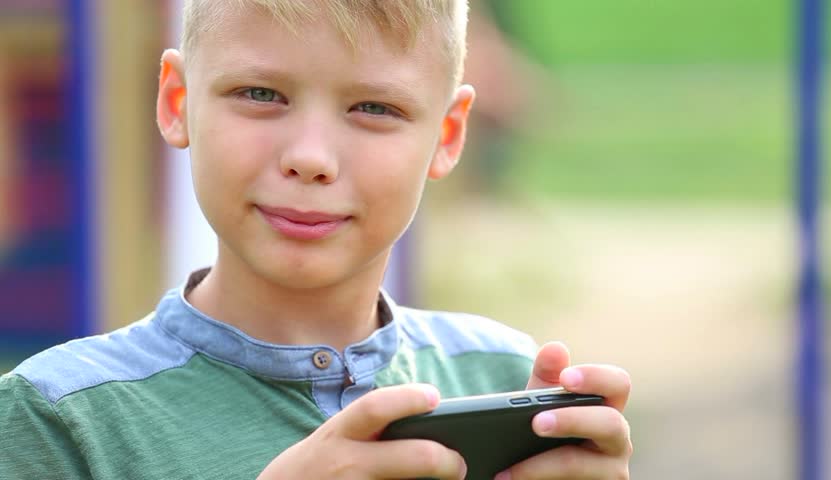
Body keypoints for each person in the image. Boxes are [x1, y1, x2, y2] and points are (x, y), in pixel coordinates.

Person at [0, 1, 632, 478]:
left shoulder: (501, 378)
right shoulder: (59, 418)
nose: (311, 158)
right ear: (177, 102)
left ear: (446, 134)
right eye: (260, 94)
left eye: (374, 108)